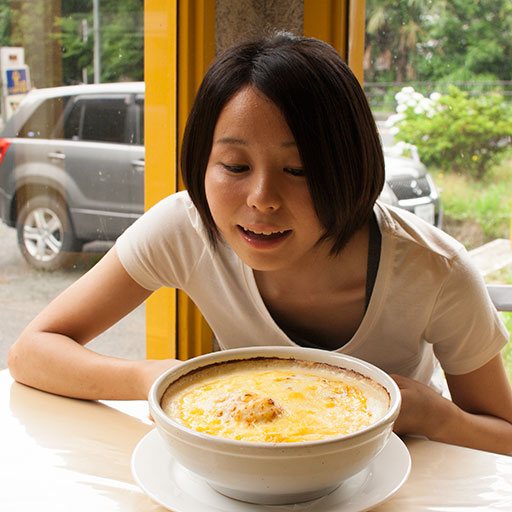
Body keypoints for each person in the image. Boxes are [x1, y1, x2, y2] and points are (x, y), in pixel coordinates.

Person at [8, 32, 512, 454]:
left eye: (299, 170)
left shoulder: (434, 270)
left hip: (404, 481)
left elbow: (504, 436)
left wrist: (433, 415)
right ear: (202, 163)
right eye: (235, 166)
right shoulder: (186, 229)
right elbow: (33, 352)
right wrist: (157, 379)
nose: (262, 198)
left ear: (350, 168)